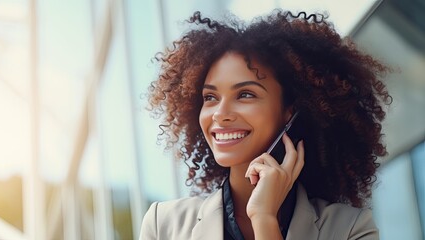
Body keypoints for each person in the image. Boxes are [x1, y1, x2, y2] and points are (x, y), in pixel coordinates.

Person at [140, 10, 391, 240]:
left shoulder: (350, 228)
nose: (220, 114)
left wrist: (264, 219)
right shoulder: (163, 225)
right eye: (210, 97)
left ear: (290, 110)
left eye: (245, 94)